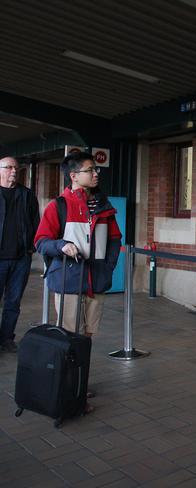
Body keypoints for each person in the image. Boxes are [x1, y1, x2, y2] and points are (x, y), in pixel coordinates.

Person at [34, 152, 121, 412]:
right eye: (90, 170)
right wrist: (62, 245)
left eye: (96, 170)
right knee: (70, 337)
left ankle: (79, 384)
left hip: (96, 282)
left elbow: (115, 239)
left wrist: (108, 267)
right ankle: (69, 390)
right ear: (73, 176)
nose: (96, 174)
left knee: (87, 337)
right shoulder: (58, 206)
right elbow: (41, 242)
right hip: (68, 281)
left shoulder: (104, 206)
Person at [0, 157, 40, 353]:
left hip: (21, 259)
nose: (14, 171)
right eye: (9, 167)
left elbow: (36, 222)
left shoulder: (27, 195)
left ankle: (6, 338)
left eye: (16, 168)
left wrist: (31, 247)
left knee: (13, 302)